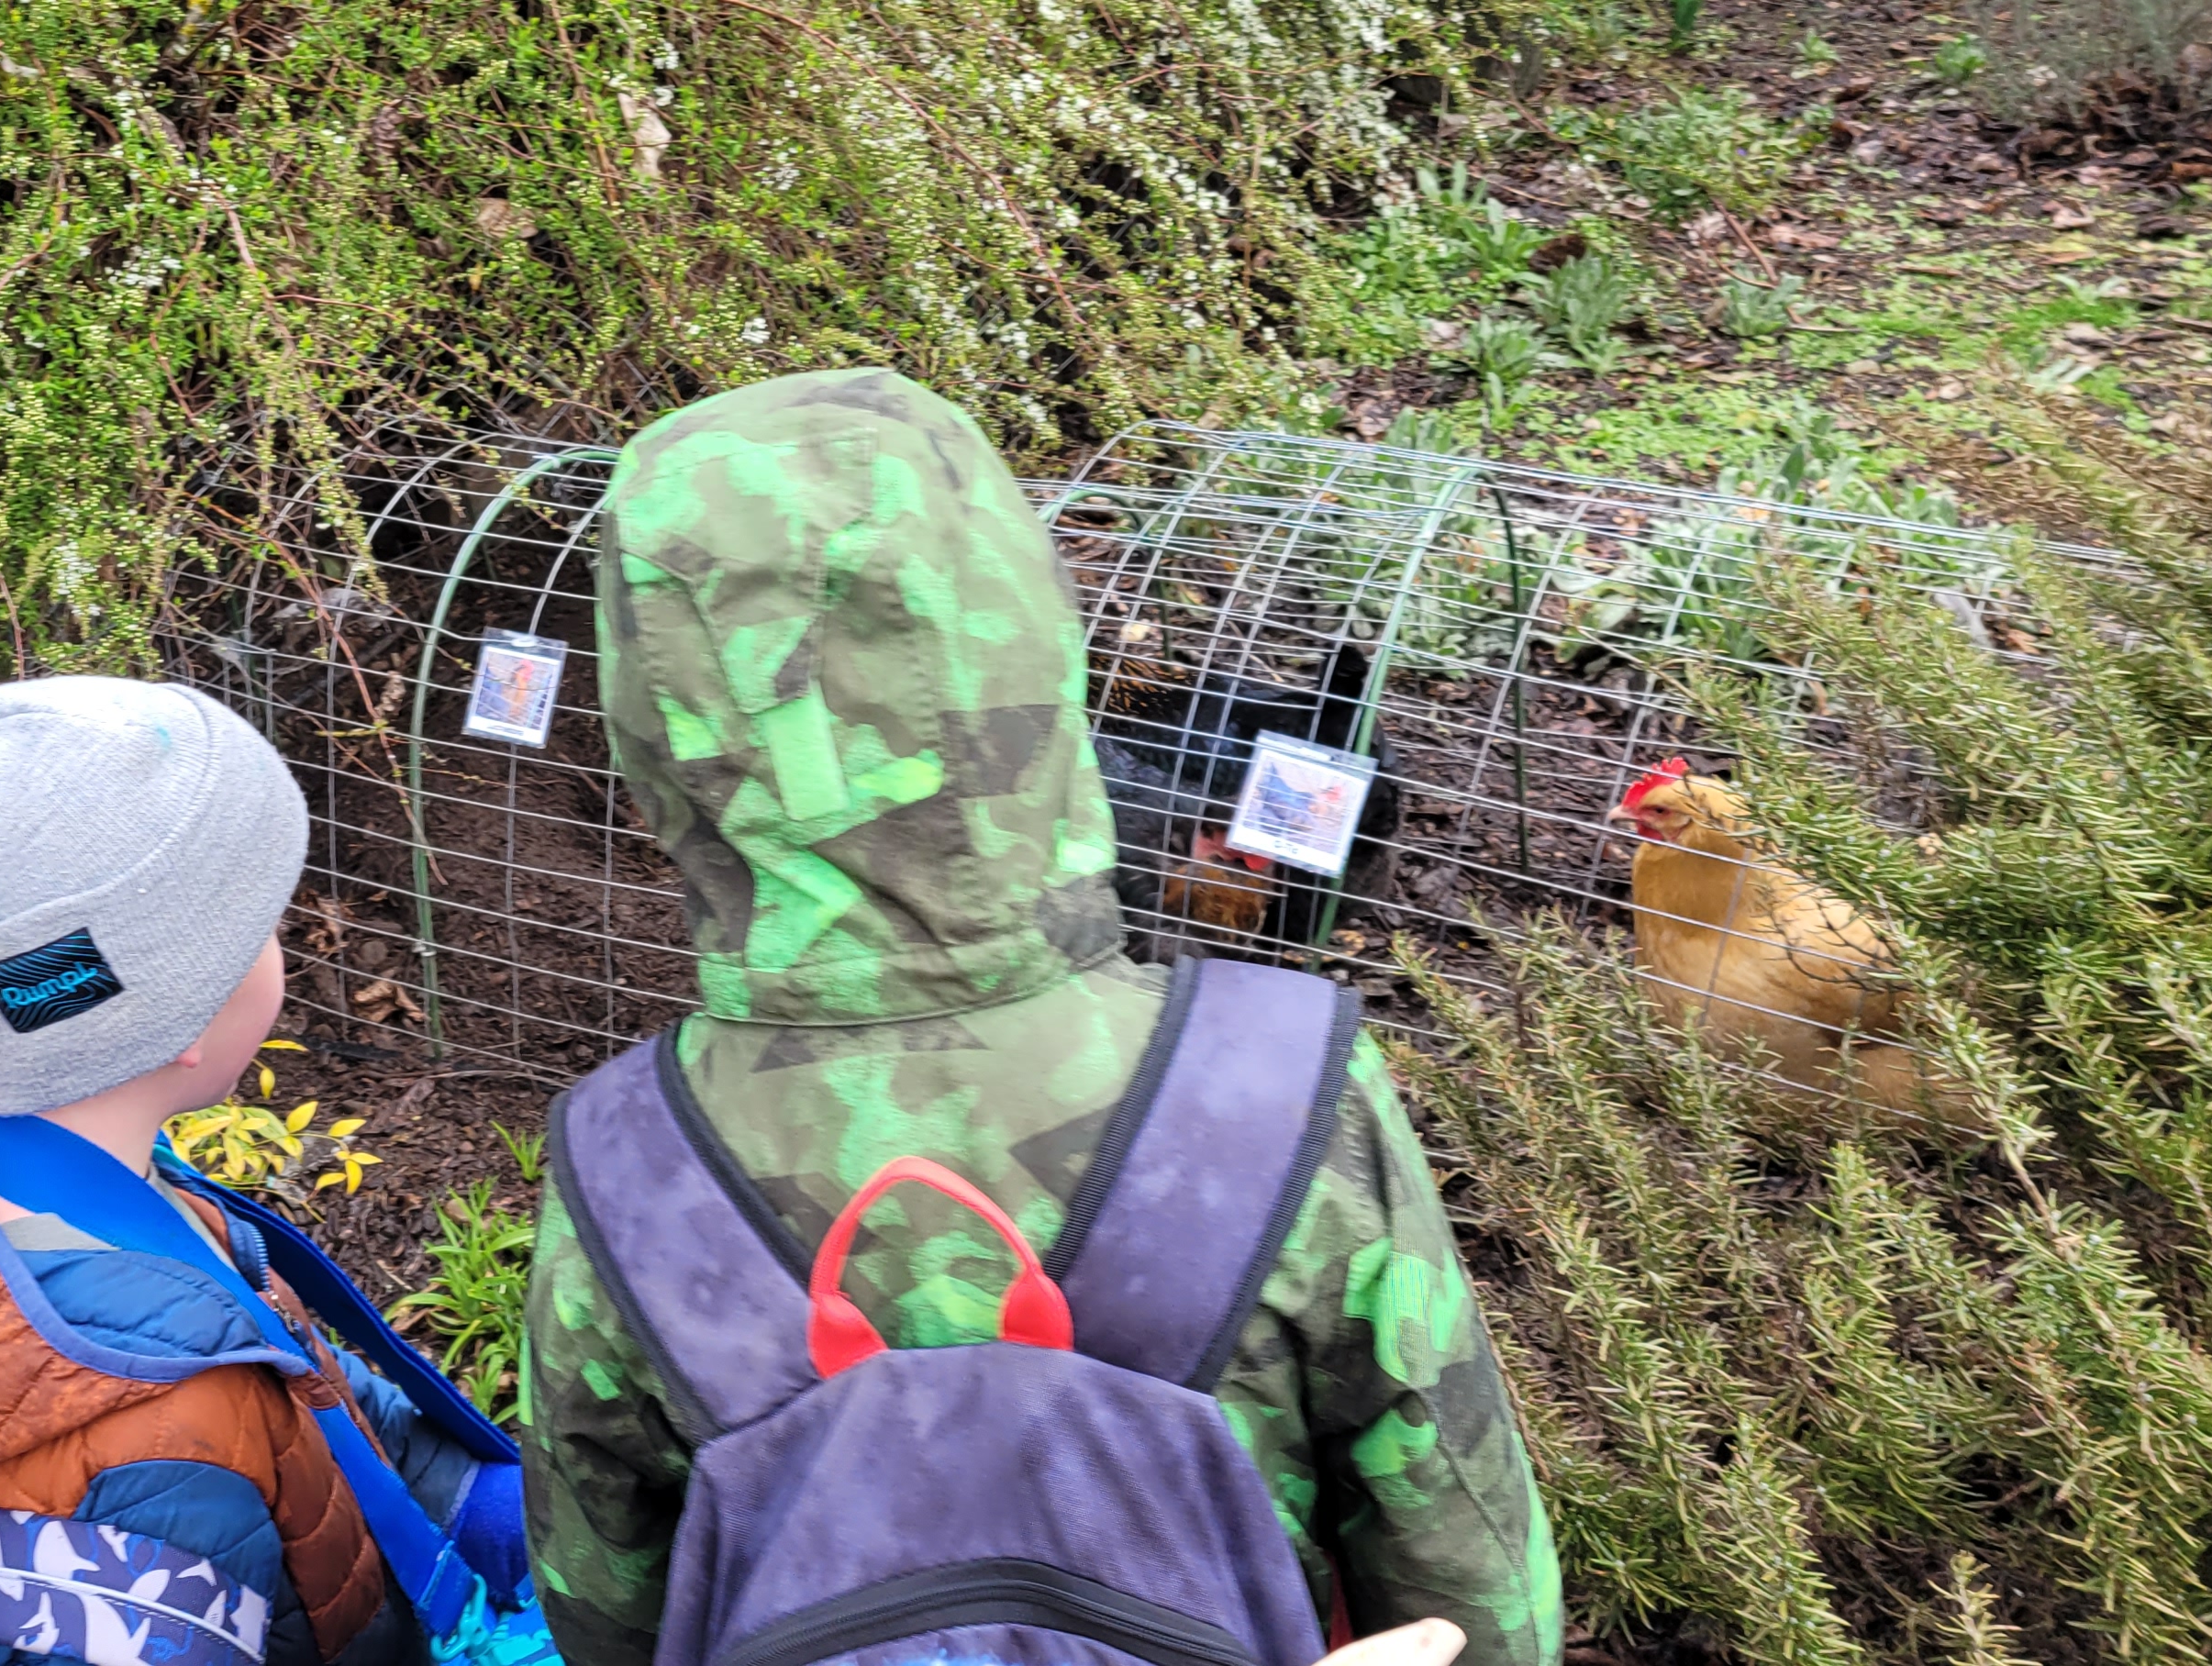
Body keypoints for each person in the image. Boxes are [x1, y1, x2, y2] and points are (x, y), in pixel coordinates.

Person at [520, 369, 1566, 1666]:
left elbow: (603, 1597)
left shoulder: (625, 1160)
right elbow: (1462, 1561)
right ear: (1023, 633)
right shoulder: (1281, 1087)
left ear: (653, 718)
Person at [0, 677, 541, 1666]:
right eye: (263, 924)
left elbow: (325, 1411)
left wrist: (548, 1519)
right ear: (185, 1016)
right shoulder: (152, 1449)